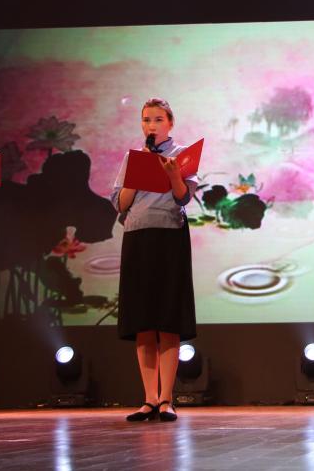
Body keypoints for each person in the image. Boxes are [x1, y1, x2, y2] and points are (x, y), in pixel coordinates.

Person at [111, 98, 197, 423]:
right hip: (138, 236)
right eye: (146, 119)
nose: (151, 125)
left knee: (168, 319)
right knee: (143, 321)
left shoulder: (182, 154)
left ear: (170, 123)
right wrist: (137, 174)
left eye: (158, 119)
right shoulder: (132, 158)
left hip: (170, 236)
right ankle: (148, 399)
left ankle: (166, 399)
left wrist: (174, 175)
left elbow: (183, 197)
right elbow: (120, 204)